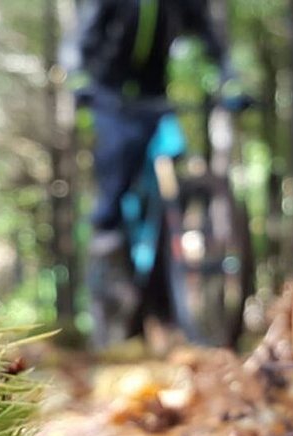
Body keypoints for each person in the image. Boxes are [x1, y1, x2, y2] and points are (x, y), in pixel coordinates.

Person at [77, 0, 238, 350]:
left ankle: (170, 299)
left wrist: (230, 77)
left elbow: (210, 36)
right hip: (111, 98)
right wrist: (79, 76)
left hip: (155, 99)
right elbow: (83, 37)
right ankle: (110, 266)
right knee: (115, 183)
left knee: (174, 155)